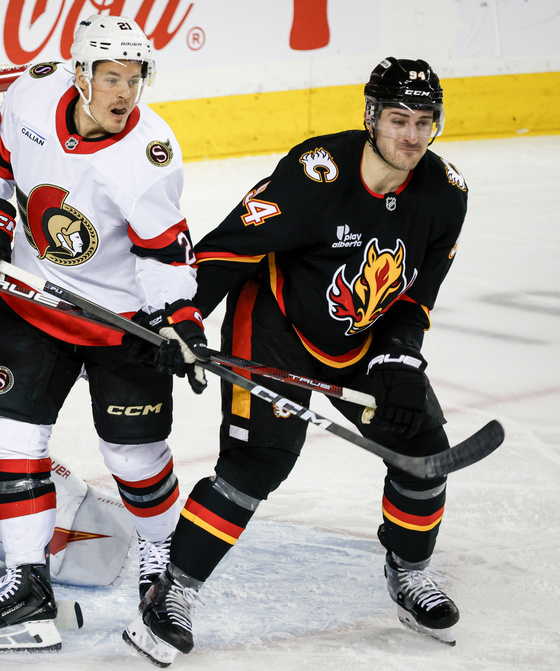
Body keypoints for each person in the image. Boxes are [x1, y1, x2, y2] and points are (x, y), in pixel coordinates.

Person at [125, 57, 470, 664]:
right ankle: (171, 593)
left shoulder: (444, 195)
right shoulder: (317, 174)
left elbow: (414, 296)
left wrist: (400, 359)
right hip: (276, 324)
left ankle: (408, 571)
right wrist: (182, 319)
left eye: (424, 122)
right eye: (397, 120)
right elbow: (230, 248)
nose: (411, 136)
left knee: (421, 453)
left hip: (364, 336)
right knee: (257, 463)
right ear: (371, 117)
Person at [0, 14, 208, 652]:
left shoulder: (149, 153)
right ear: (79, 74)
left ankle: (160, 563)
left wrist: (175, 321)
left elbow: (164, 250)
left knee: (134, 459)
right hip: (33, 304)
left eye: (135, 79)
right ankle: (26, 584)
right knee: (11, 438)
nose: (125, 94)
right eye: (112, 77)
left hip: (120, 321)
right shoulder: (32, 93)